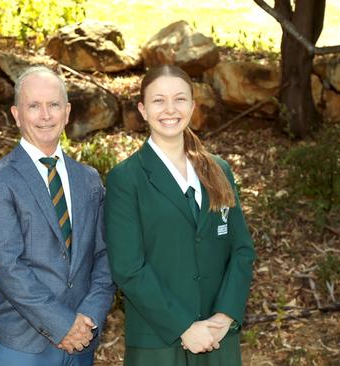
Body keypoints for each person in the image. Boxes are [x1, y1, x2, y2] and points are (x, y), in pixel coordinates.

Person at [104, 65, 256, 366]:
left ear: (192, 106)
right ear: (143, 110)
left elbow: (241, 250)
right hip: (159, 342)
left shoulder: (219, 170)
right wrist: (183, 326)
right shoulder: (126, 178)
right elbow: (128, 267)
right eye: (158, 100)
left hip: (217, 337)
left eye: (180, 99)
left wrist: (226, 314)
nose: (170, 109)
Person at [0, 66, 115, 366]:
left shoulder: (88, 179)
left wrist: (89, 316)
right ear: (16, 114)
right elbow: (8, 267)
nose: (45, 115)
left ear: (67, 112)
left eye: (53, 105)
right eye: (33, 106)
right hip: (23, 342)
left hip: (82, 338)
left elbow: (105, 256)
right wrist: (63, 324)